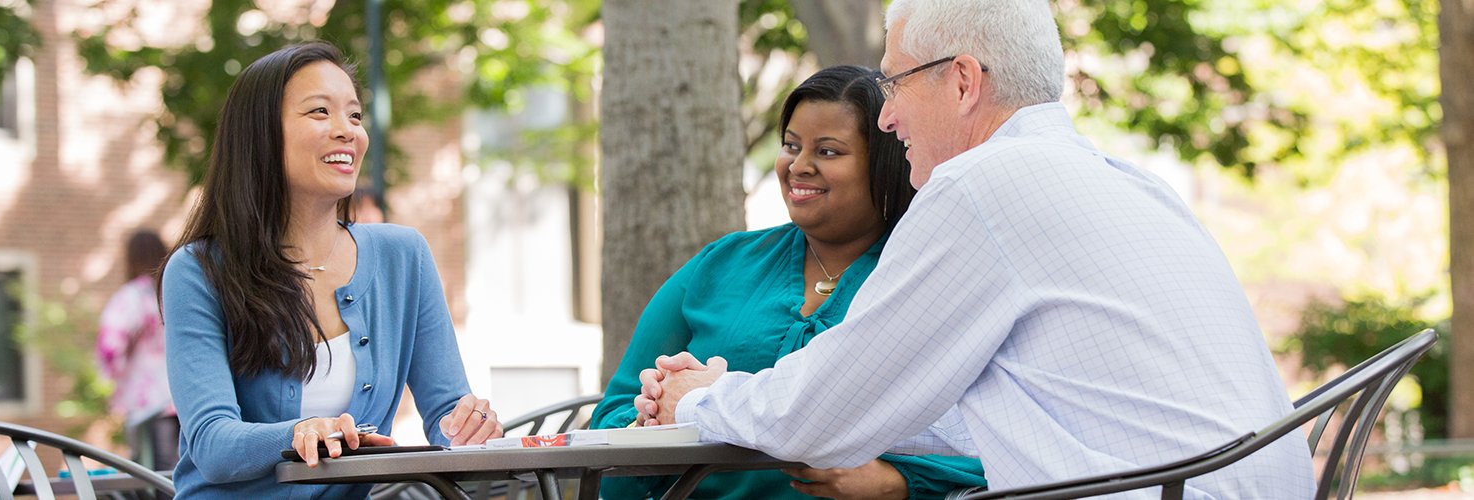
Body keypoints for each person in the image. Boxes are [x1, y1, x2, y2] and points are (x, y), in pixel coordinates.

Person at [636, 0, 1317, 497]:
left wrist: (702, 398)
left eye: (895, 83)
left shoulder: (981, 185)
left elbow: (819, 413)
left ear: (963, 80)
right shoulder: (1131, 185)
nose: (886, 116)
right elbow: (940, 410)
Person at [594, 65, 985, 500]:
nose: (799, 166)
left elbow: (999, 434)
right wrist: (656, 410)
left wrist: (901, 482)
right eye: (791, 146)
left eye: (828, 151)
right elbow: (612, 416)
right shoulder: (722, 264)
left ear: (885, 161)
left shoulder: (926, 271)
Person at [159, 42, 502, 498]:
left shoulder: (405, 255)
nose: (348, 132)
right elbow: (213, 443)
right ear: (261, 134)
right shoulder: (198, 270)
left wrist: (469, 427)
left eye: (355, 116)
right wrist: (300, 432)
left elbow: (445, 413)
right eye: (320, 112)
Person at [96, 229, 178, 470]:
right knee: (179, 471)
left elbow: (109, 347)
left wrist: (115, 372)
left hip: (149, 403)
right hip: (183, 397)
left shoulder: (132, 296)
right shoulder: (172, 291)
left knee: (153, 474)